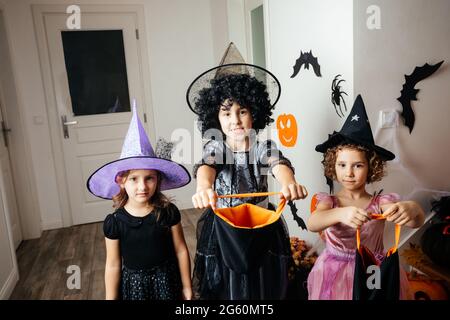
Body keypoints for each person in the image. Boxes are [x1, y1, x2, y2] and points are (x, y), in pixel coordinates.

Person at [186, 43, 308, 299]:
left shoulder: (263, 147)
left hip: (259, 224)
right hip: (224, 226)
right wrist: (203, 186)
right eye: (226, 113)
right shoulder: (216, 147)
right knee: (225, 279)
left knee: (262, 278)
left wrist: (289, 182)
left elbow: (278, 164)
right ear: (215, 117)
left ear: (255, 112)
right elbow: (207, 166)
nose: (235, 120)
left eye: (242, 111)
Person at [307, 95, 425, 300]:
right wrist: (341, 213)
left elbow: (412, 219)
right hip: (334, 273)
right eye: (342, 165)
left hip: (373, 271)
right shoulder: (330, 202)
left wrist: (412, 208)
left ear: (371, 167)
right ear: (333, 166)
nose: (349, 173)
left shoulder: (381, 202)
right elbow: (313, 223)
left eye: (358, 165)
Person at [87, 102, 192, 300]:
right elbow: (113, 264)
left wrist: (187, 287)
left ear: (158, 180)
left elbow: (180, 250)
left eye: (149, 178)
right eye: (134, 179)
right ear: (121, 181)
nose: (142, 187)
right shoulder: (115, 222)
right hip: (135, 288)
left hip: (167, 282)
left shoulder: (168, 212)